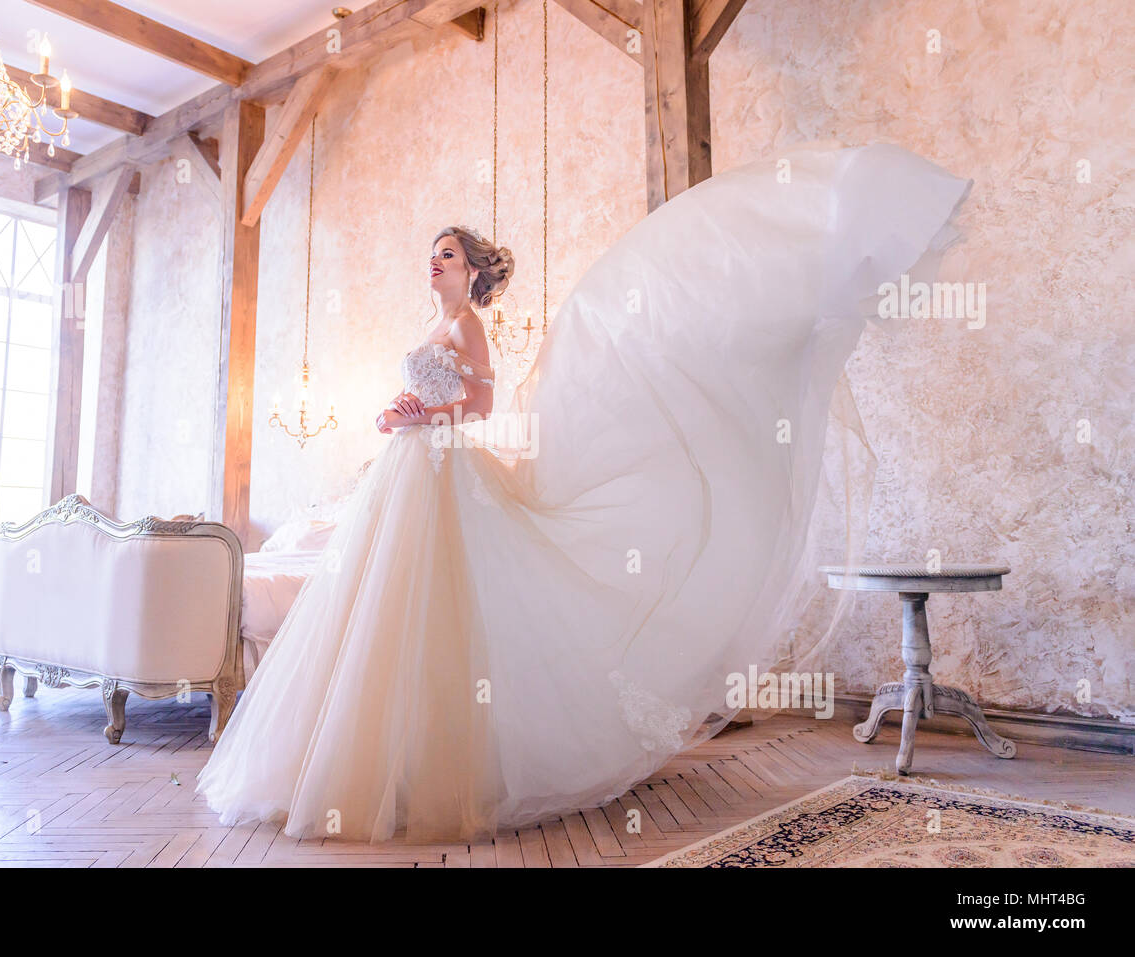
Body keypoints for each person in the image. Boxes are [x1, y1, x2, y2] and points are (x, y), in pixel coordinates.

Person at [196, 143, 972, 842]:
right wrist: (396, 414)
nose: (433, 264)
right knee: (384, 611)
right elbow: (429, 404)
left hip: (442, 472)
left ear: (472, 271)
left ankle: (436, 764)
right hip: (408, 470)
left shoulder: (467, 328)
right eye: (431, 254)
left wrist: (427, 412)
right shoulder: (427, 332)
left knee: (445, 611)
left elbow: (484, 406)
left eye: (447, 255)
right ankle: (382, 762)